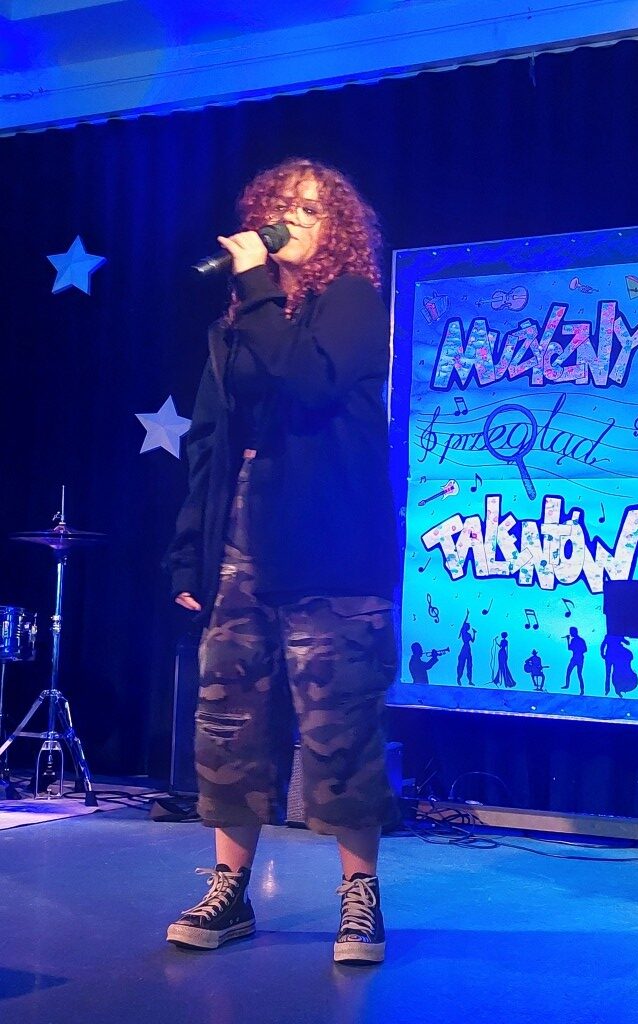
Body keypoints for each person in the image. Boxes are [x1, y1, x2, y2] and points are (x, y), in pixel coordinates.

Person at [164, 158, 399, 965]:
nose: (292, 218)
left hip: (331, 545)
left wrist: (258, 288)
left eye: (310, 209)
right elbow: (206, 443)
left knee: (340, 729)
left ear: (338, 229)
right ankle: (229, 890)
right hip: (240, 542)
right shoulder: (239, 324)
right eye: (281, 206)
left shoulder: (353, 302)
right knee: (228, 721)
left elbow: (309, 381)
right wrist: (190, 557)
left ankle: (359, 896)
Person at [562, 626, 587, 695]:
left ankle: (582, 690)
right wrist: (568, 640)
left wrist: (578, 649)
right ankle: (567, 685)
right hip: (575, 658)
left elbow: (585, 649)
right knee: (569, 671)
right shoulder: (573, 640)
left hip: (579, 658)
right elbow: (569, 648)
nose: (570, 633)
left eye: (571, 632)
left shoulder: (581, 640)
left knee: (579, 674)